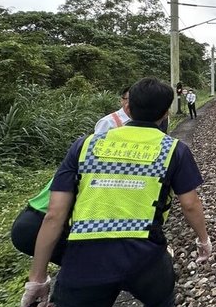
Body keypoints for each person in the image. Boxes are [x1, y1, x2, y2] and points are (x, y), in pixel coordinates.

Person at [20, 77, 212, 307]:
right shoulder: (173, 149)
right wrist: (204, 241)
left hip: (84, 258)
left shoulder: (84, 146)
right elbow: (190, 204)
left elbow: (54, 215)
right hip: (144, 256)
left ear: (128, 107)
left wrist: (37, 278)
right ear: (166, 113)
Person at [10, 86, 134, 264]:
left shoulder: (82, 156)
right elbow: (55, 215)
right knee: (93, 269)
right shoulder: (99, 165)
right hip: (40, 223)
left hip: (38, 218)